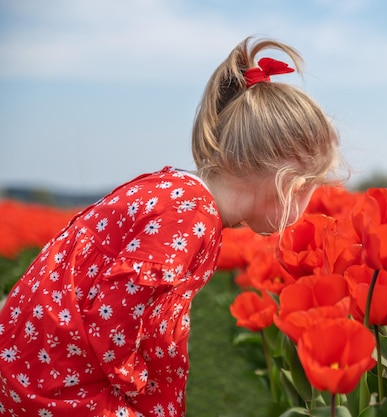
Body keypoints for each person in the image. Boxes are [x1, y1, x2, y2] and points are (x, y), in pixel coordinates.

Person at [0, 36, 339, 416]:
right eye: (315, 186)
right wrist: (133, 380)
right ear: (290, 185)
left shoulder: (179, 194)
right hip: (65, 378)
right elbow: (115, 308)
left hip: (43, 359)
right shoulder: (189, 215)